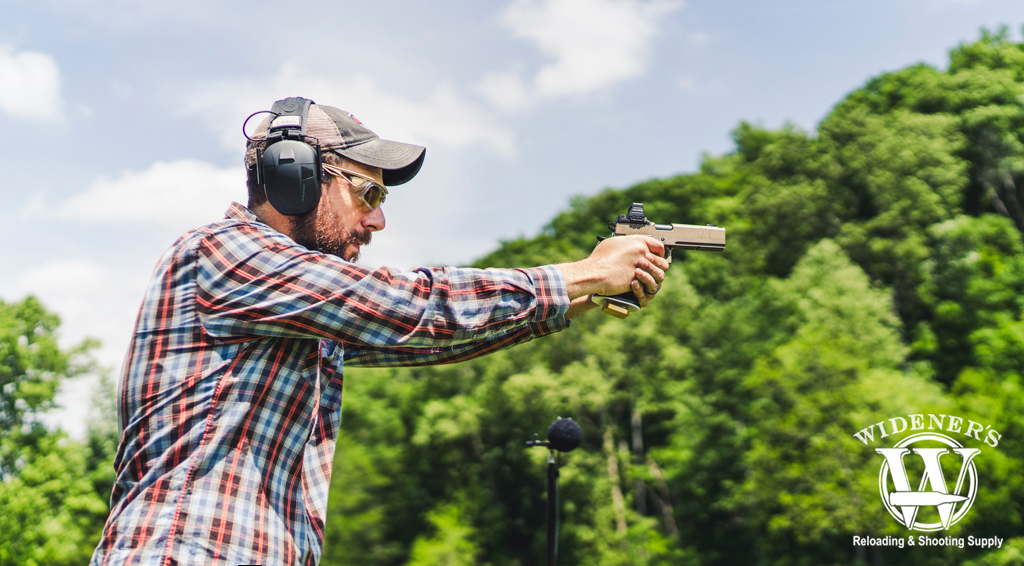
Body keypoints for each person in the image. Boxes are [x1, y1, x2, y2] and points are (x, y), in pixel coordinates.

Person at [90, 97, 668, 566]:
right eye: (368, 193)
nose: (378, 219)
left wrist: (577, 300)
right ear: (296, 180)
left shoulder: (292, 309)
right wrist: (582, 273)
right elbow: (407, 304)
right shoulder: (223, 252)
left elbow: (426, 339)